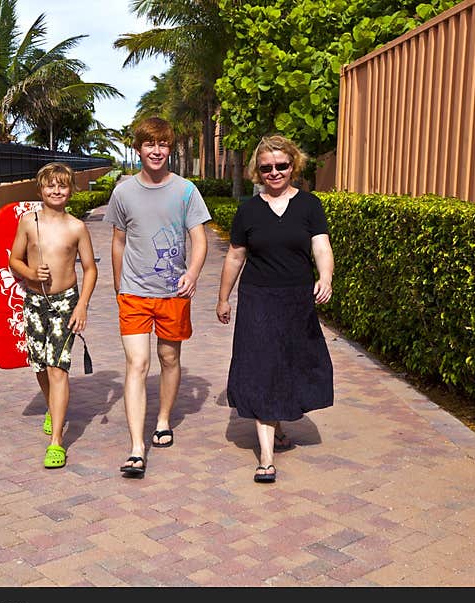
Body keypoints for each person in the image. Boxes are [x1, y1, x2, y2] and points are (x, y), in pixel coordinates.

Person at [216, 135, 334, 484]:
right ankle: (266, 456)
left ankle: (278, 427)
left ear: (293, 165)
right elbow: (236, 255)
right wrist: (223, 298)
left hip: (297, 300)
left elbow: (321, 247)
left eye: (281, 165)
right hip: (258, 299)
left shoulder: (310, 205)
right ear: (258, 170)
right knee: (262, 367)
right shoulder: (248, 210)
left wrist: (325, 278)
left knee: (287, 365)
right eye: (266, 167)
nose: (274, 172)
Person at [104, 116, 211, 478]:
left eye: (162, 145)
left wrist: (192, 274)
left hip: (172, 292)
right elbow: (118, 240)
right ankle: (136, 448)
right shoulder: (123, 192)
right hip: (134, 293)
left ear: (170, 149)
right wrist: (118, 286)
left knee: (168, 358)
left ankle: (163, 419)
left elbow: (199, 238)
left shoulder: (185, 191)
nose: (156, 151)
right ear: (139, 149)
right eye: (150, 144)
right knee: (137, 364)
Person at [9, 162, 97, 469]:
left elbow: (90, 269)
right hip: (35, 301)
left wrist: (82, 304)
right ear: (40, 189)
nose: (56, 190)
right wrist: (31, 272)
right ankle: (52, 407)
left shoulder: (76, 227)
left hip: (65, 304)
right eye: (50, 185)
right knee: (40, 366)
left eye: (62, 185)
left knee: (58, 368)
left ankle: (56, 442)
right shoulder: (27, 222)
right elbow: (13, 261)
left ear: (71, 190)